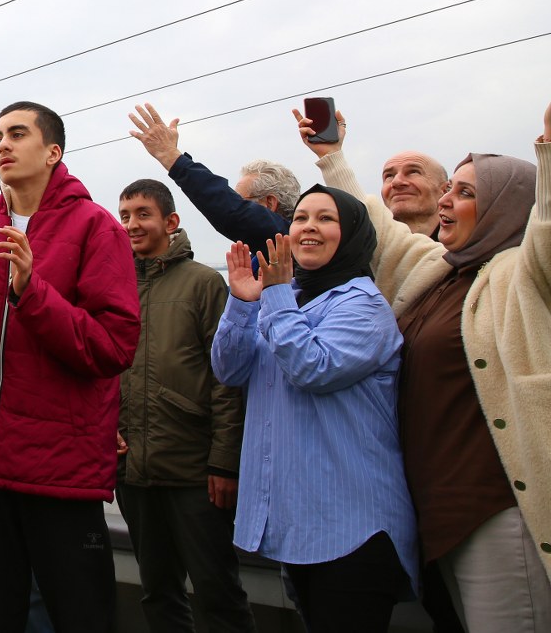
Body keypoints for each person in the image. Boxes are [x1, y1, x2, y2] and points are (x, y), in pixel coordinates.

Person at [301, 102, 551, 628]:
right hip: (437, 506)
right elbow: (381, 230)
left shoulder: (520, 275)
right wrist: (333, 159)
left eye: (465, 193)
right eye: (449, 189)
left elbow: (546, 236)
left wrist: (549, 153)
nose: (445, 201)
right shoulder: (442, 271)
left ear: (508, 207)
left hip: (494, 507)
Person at [0, 101, 139, 632]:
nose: (2, 144)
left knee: (79, 614)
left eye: (17, 134)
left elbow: (113, 348)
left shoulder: (97, 229)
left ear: (53, 151)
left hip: (59, 471)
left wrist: (32, 291)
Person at [211, 199, 419, 632]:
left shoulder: (364, 306)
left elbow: (311, 367)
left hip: (354, 531)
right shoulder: (285, 299)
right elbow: (228, 370)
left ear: (354, 235)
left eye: (327, 219)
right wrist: (242, 301)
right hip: (302, 526)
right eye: (300, 218)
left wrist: (277, 292)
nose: (308, 228)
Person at [114, 180, 252, 633]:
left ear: (170, 222)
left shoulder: (204, 284)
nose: (132, 224)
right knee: (158, 591)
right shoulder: (114, 287)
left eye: (142, 214)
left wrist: (225, 462)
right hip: (133, 469)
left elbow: (227, 381)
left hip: (195, 470)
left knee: (217, 592)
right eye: (126, 215)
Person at [128, 104, 297, 253]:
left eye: (240, 200)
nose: (131, 225)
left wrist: (171, 157)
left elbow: (230, 211)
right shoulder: (254, 268)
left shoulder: (295, 243)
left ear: (269, 203)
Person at [377, 151, 448, 236]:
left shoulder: (464, 244)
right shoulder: (368, 245)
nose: (396, 182)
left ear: (444, 190)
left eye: (413, 172)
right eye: (389, 176)